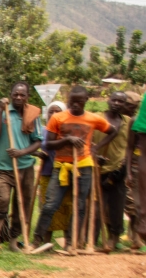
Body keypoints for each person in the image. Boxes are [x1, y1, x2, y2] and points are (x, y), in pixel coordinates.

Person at [34, 86, 117, 248]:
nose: (76, 105)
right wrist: (67, 140)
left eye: (79, 102)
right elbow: (49, 144)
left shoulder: (93, 118)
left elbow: (112, 131)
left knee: (79, 205)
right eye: (72, 102)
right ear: (68, 100)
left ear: (86, 100)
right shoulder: (58, 118)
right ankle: (37, 239)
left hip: (84, 166)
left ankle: (71, 242)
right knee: (50, 204)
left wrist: (96, 147)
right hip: (61, 166)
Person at [0, 83, 42, 253]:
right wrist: (1, 111)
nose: (18, 98)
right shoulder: (2, 112)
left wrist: (22, 152)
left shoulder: (33, 114)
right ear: (10, 94)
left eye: (22, 95)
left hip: (25, 167)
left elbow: (38, 141)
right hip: (3, 168)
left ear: (27, 97)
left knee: (22, 204)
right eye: (15, 94)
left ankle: (14, 241)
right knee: (2, 199)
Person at [95, 92, 131, 250]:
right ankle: (92, 238)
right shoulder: (96, 118)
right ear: (108, 101)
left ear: (124, 105)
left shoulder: (128, 122)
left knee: (117, 206)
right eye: (114, 100)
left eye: (121, 101)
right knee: (96, 207)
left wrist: (126, 168)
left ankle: (114, 239)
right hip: (97, 169)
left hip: (118, 170)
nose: (116, 103)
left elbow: (131, 146)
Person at [38, 101, 71, 239]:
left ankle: (68, 239)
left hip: (66, 174)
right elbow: (34, 145)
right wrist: (37, 153)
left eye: (57, 111)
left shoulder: (69, 131)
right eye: (51, 111)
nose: (54, 114)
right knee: (47, 206)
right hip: (47, 172)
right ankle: (46, 239)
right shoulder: (43, 131)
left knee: (66, 207)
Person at [123, 93, 143, 249]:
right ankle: (136, 236)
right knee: (135, 204)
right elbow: (130, 147)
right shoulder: (135, 122)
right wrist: (128, 171)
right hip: (138, 167)